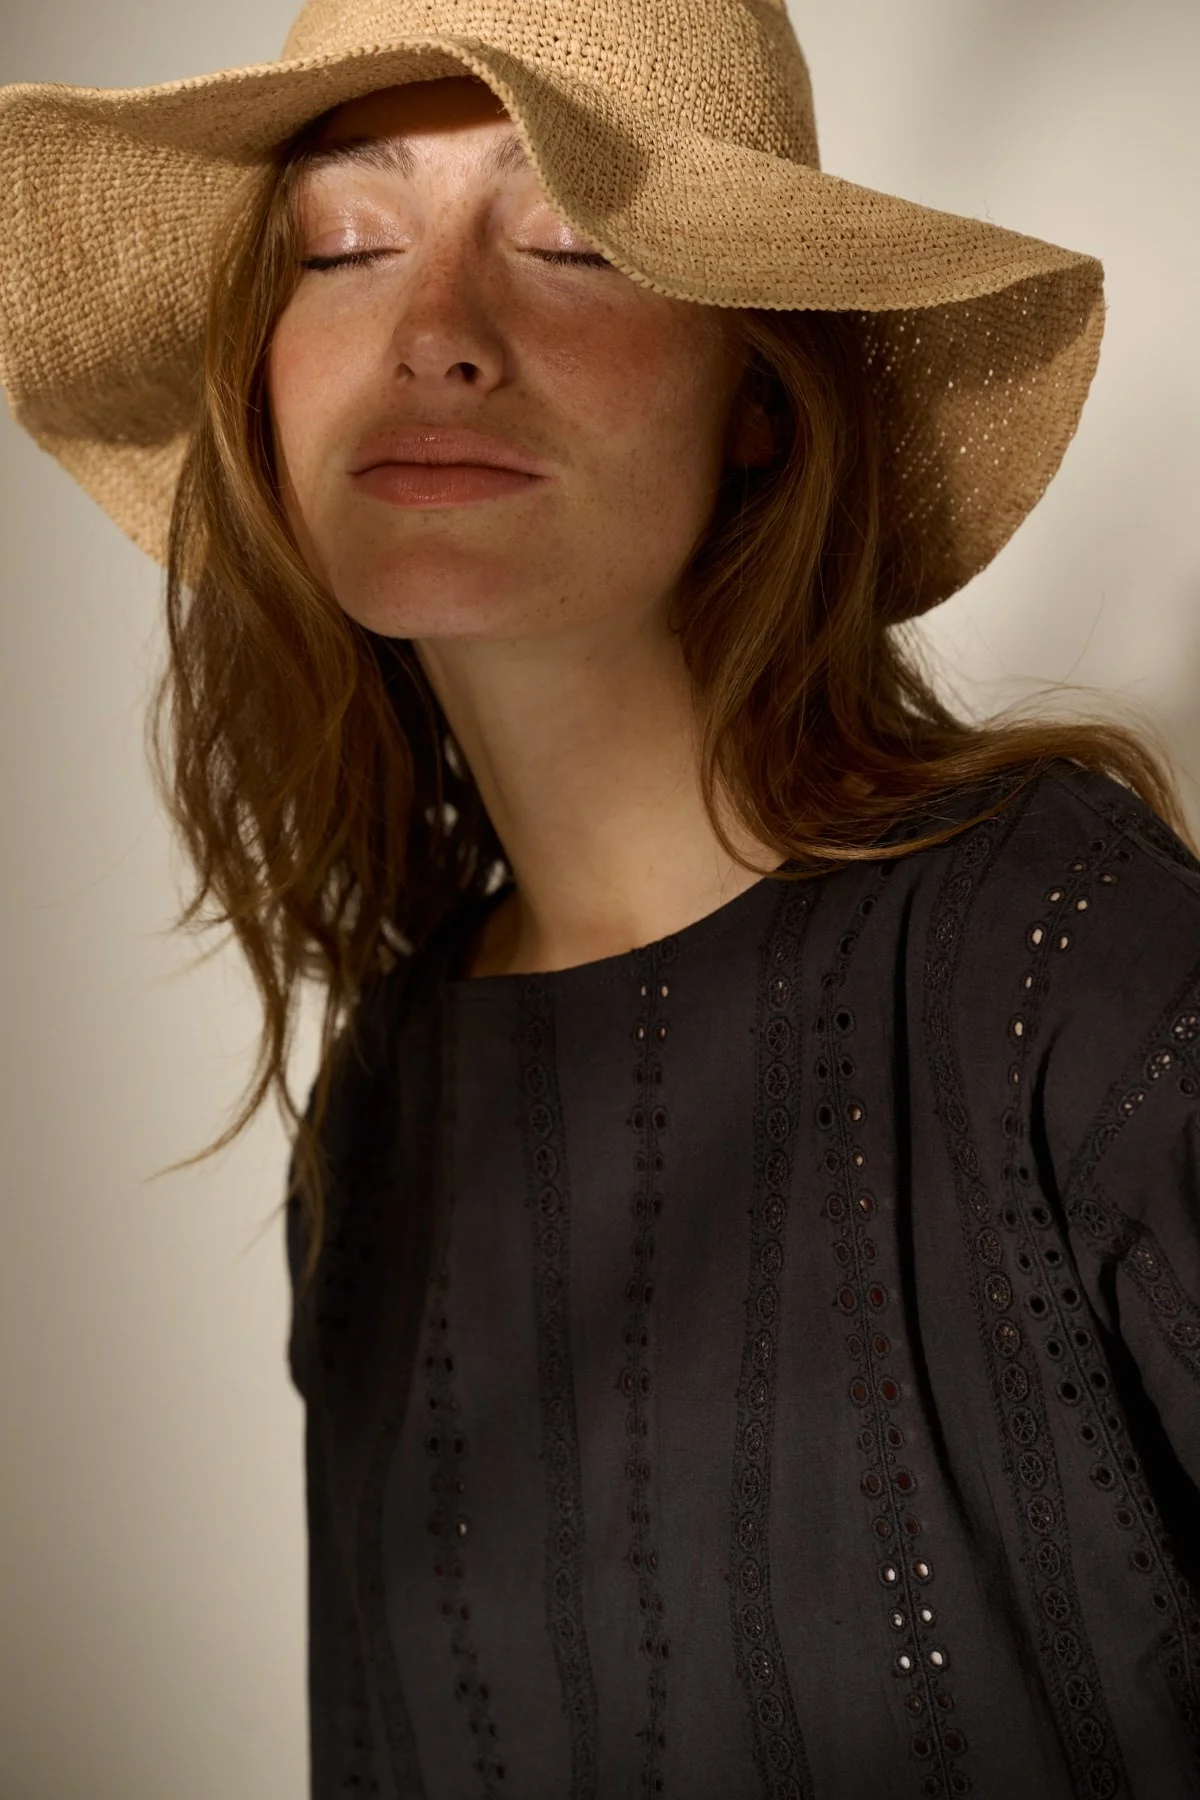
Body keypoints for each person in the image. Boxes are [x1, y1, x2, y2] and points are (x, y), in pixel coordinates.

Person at [3, 2, 1199, 1794]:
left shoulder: (1068, 959)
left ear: (762, 394)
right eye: (345, 244)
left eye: (572, 241)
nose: (435, 332)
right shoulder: (392, 1108)